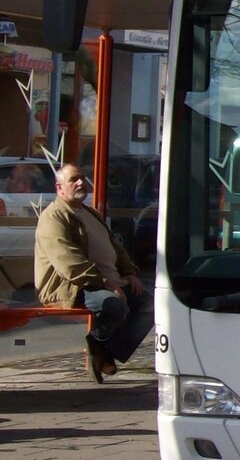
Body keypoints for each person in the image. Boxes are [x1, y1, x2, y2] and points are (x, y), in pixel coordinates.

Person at [33, 164, 154, 383]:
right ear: (59, 188)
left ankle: (103, 348)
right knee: (113, 304)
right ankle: (99, 344)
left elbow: (116, 247)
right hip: (73, 286)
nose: (81, 182)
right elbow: (69, 263)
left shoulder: (90, 214)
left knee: (150, 305)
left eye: (82, 178)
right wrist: (107, 282)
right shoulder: (53, 217)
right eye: (74, 180)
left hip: (107, 281)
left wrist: (130, 273)